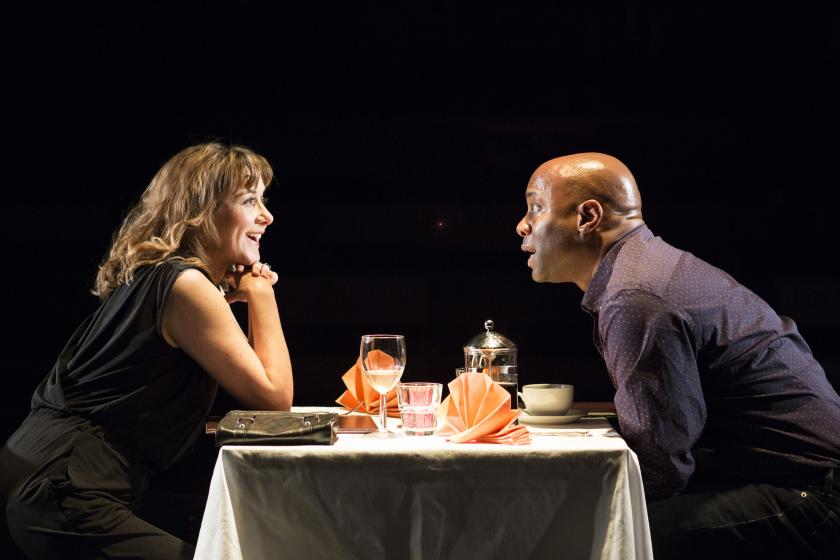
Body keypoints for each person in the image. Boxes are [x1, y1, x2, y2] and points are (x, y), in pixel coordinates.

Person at [515, 152, 840, 558]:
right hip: (782, 476)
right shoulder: (643, 270)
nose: (522, 225)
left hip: (814, 493)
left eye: (536, 207)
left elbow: (662, 469)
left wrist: (553, 495)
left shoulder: (635, 296)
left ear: (588, 217)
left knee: (591, 536)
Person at [0, 142, 294, 559]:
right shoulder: (185, 285)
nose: (267, 216)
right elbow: (274, 397)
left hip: (48, 472)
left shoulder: (163, 277)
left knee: (244, 529)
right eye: (249, 201)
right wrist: (261, 292)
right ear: (202, 210)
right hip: (65, 484)